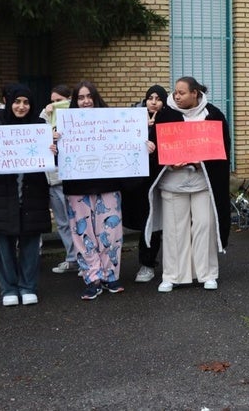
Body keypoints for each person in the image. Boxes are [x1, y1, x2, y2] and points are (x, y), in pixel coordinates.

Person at [145, 77, 231, 293]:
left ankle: (207, 274)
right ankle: (172, 275)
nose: (177, 96)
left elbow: (222, 150)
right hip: (173, 183)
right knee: (175, 231)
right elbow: (156, 148)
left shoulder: (213, 114)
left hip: (203, 183)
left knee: (204, 227)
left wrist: (201, 160)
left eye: (182, 92)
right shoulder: (166, 115)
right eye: (175, 92)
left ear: (195, 93)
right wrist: (168, 163)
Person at [0, 84, 54, 306]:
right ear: (9, 102)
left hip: (31, 195)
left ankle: (28, 286)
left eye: (26, 102)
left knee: (30, 242)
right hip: (0, 196)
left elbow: (52, 160)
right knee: (3, 245)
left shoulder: (39, 126)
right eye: (17, 102)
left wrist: (54, 149)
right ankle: (8, 288)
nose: (21, 106)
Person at [61, 81, 126, 300]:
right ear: (75, 101)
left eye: (89, 96)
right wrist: (54, 143)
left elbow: (127, 142)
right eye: (80, 98)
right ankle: (92, 278)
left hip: (108, 186)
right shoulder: (64, 125)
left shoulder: (111, 121)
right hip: (77, 189)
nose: (85, 101)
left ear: (95, 98)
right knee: (83, 235)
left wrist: (142, 144)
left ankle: (110, 276)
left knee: (111, 233)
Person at [123, 85, 168, 283]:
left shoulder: (169, 120)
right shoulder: (133, 120)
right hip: (137, 182)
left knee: (156, 223)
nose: (153, 101)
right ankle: (144, 262)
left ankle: (150, 263)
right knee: (143, 222)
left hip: (160, 180)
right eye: (150, 97)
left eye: (158, 98)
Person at [39, 84, 79, 274]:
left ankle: (84, 259)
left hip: (72, 176)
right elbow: (36, 138)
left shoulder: (77, 114)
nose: (55, 104)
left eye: (59, 100)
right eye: (53, 101)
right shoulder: (44, 116)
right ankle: (71, 258)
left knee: (78, 220)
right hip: (53, 177)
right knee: (62, 222)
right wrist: (47, 118)